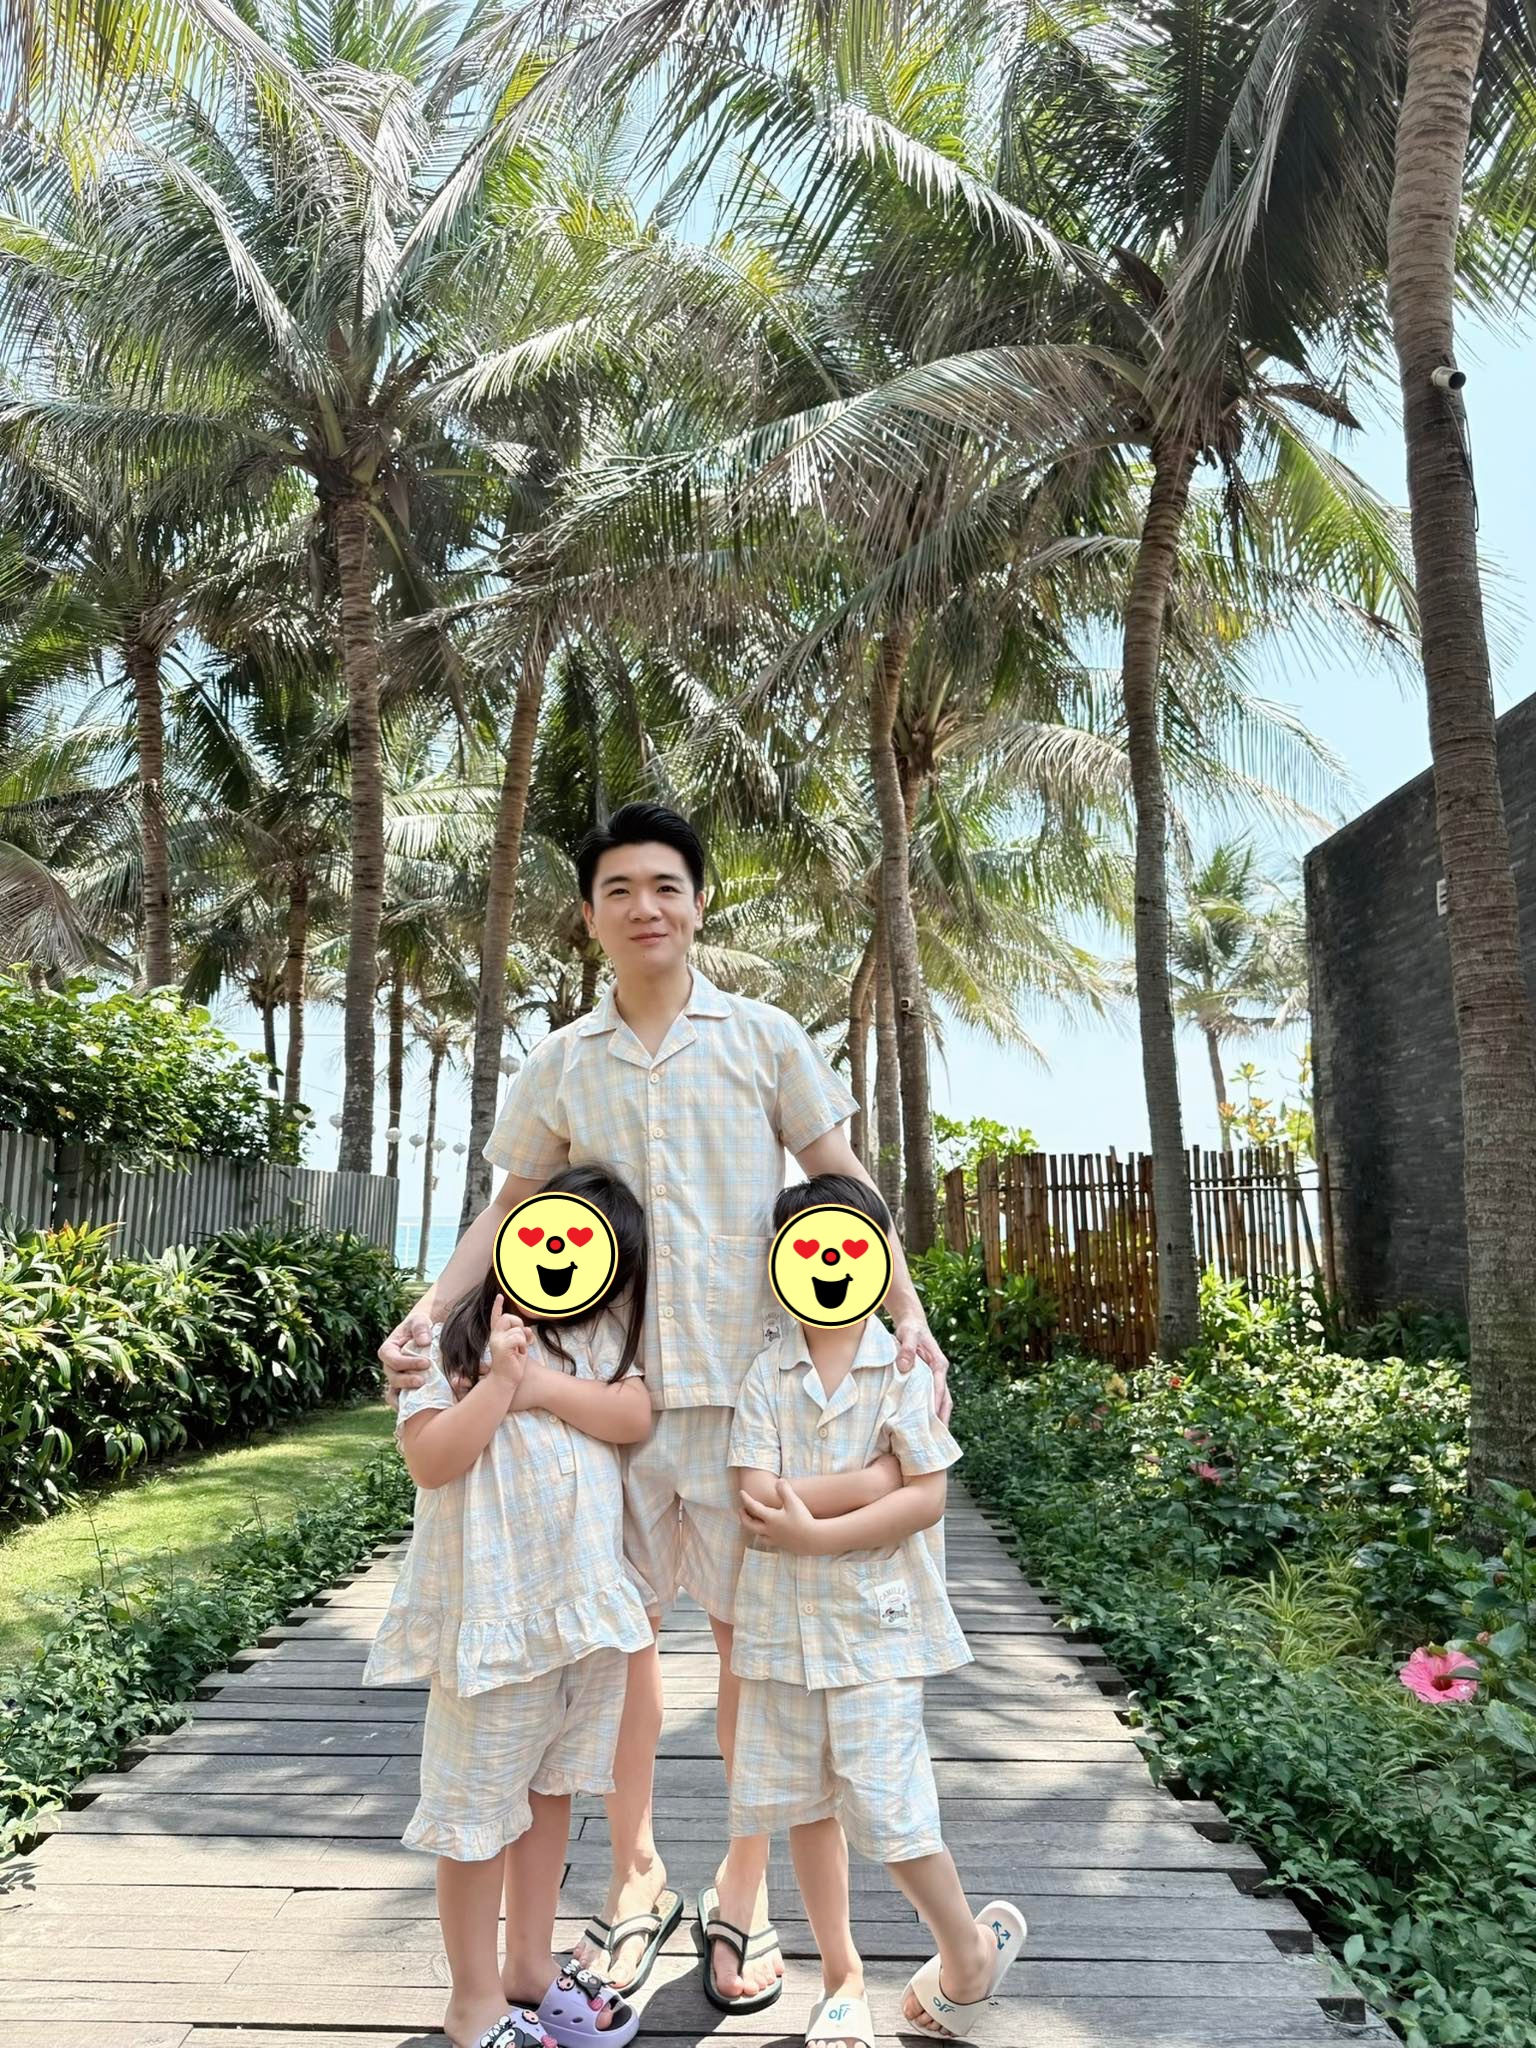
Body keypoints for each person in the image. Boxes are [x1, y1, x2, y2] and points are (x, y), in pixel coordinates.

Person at [380, 801, 952, 2009]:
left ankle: (743, 1888)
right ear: (589, 915)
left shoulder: (766, 1038)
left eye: (666, 886)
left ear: (698, 903)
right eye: (620, 889)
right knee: (617, 1643)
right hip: (614, 1405)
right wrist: (428, 1314)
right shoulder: (561, 1062)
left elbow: (841, 1180)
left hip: (750, 1402)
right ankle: (634, 1872)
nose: (646, 906)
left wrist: (909, 1315)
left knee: (756, 1648)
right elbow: (508, 1209)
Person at [727, 1172, 1027, 2047]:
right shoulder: (766, 1374)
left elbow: (926, 1497)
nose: (828, 1264)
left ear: (879, 1260)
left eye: (849, 1247)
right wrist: (871, 1481)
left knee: (893, 1808)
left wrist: (817, 1527)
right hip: (783, 1632)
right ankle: (842, 1977)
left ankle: (966, 1950)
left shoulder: (899, 1371)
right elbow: (754, 1497)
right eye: (806, 1247)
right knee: (805, 1804)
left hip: (875, 1631)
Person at [365, 1164, 655, 2048]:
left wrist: (540, 1387)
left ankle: (529, 1966)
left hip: (581, 1618)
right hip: (493, 1624)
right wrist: (497, 1382)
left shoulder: (597, 1340)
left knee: (551, 1790)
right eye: (546, 1236)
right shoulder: (447, 1341)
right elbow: (432, 1460)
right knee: (475, 1815)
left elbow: (634, 1415)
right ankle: (472, 1999)